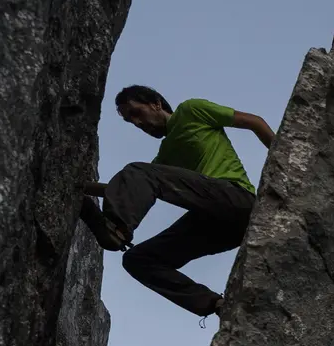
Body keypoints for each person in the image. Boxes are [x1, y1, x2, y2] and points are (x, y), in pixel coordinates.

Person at [81, 86, 276, 318]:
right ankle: (217, 305)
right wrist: (79, 187)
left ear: (156, 103)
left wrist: (283, 159)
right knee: (137, 260)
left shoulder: (191, 110)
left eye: (136, 113)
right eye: (129, 121)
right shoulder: (165, 156)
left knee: (140, 172)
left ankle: (117, 228)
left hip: (236, 200)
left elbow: (254, 121)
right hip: (217, 224)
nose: (137, 123)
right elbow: (128, 187)